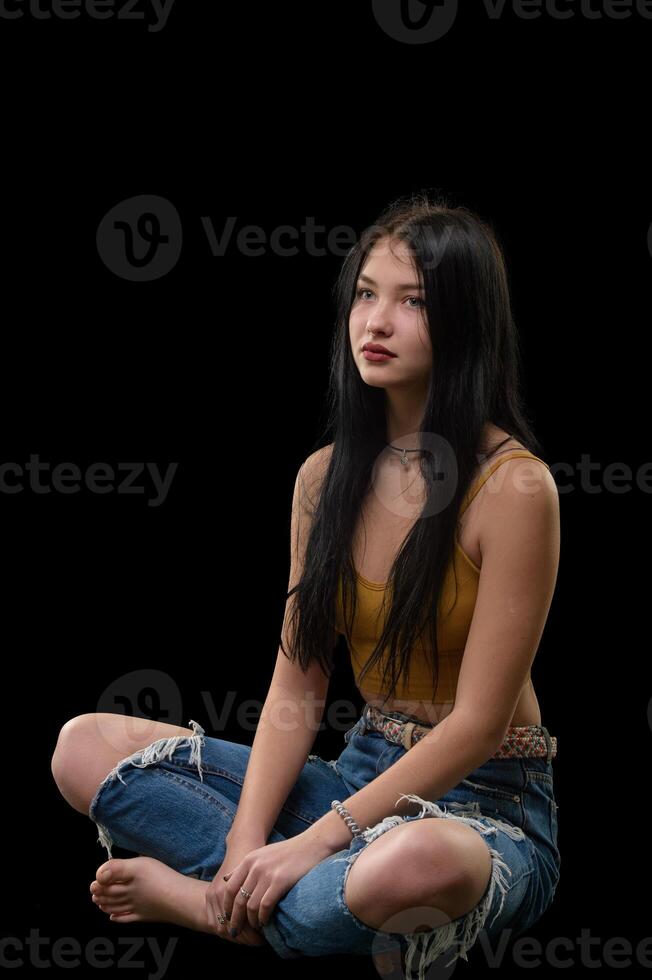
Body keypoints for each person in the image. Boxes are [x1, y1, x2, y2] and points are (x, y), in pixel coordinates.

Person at [50, 189, 561, 980]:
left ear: (465, 322)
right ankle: (246, 891)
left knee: (412, 865)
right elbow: (299, 675)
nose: (374, 322)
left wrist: (312, 842)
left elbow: (479, 726)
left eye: (412, 301)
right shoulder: (323, 479)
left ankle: (208, 912)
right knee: (81, 747)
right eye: (365, 294)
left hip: (486, 803)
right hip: (357, 776)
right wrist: (251, 842)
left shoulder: (515, 489)